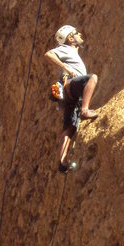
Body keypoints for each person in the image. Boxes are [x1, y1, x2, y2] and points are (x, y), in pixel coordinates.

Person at [45, 25, 98, 173]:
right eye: (76, 33)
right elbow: (49, 54)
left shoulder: (73, 52)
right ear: (70, 38)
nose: (80, 34)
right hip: (69, 86)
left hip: (68, 95)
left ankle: (62, 161)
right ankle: (85, 110)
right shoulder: (66, 49)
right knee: (92, 79)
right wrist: (67, 69)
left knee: (70, 127)